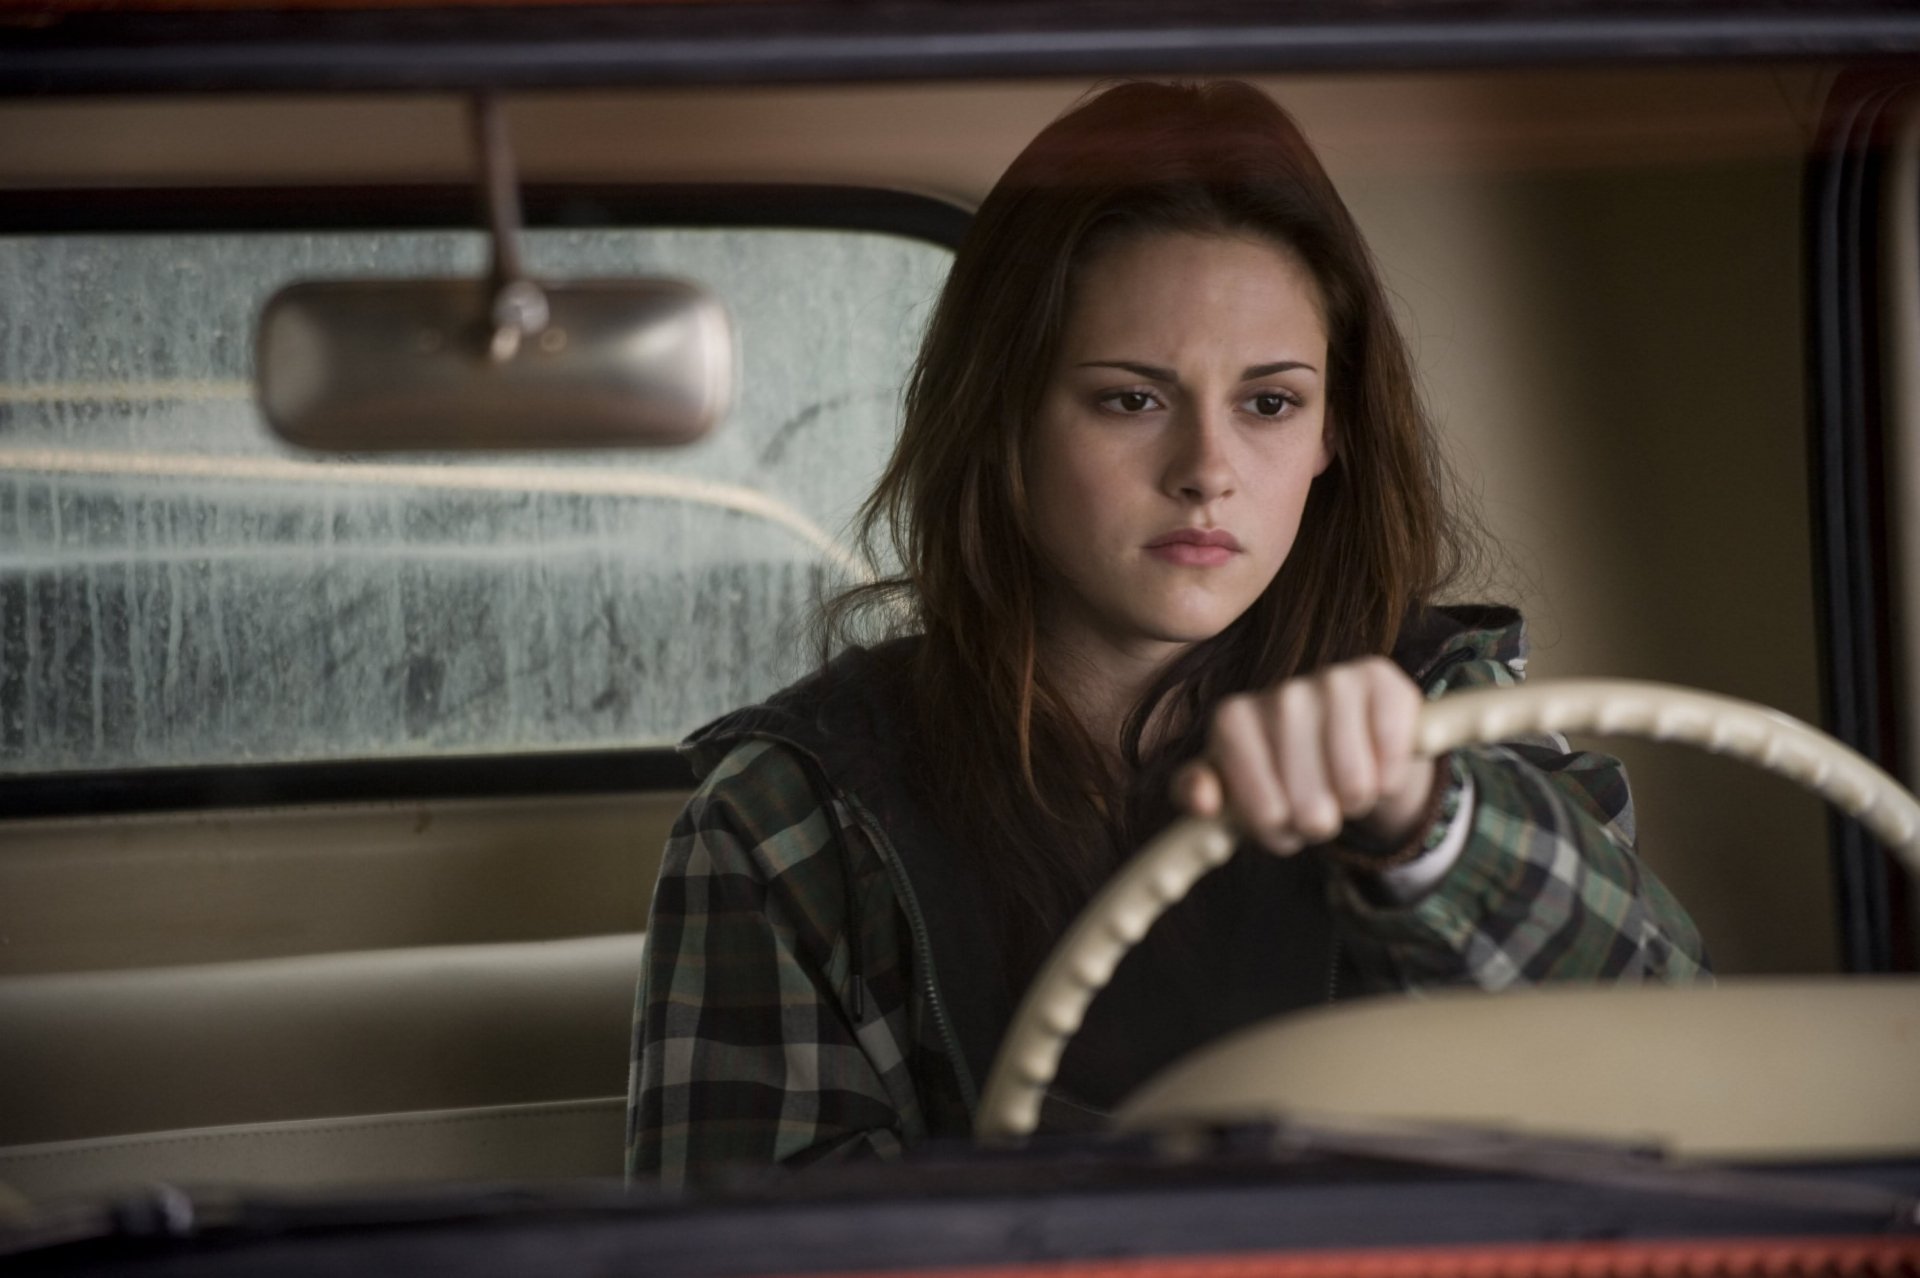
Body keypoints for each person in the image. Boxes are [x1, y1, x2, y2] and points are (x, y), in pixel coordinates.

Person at [626, 80, 1707, 1188]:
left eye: (1270, 403)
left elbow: (1674, 1061)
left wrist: (1424, 824)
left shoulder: (1447, 716)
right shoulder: (791, 819)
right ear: (1002, 419)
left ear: (1336, 430)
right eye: (1131, 400)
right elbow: (744, 1241)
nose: (1206, 471)